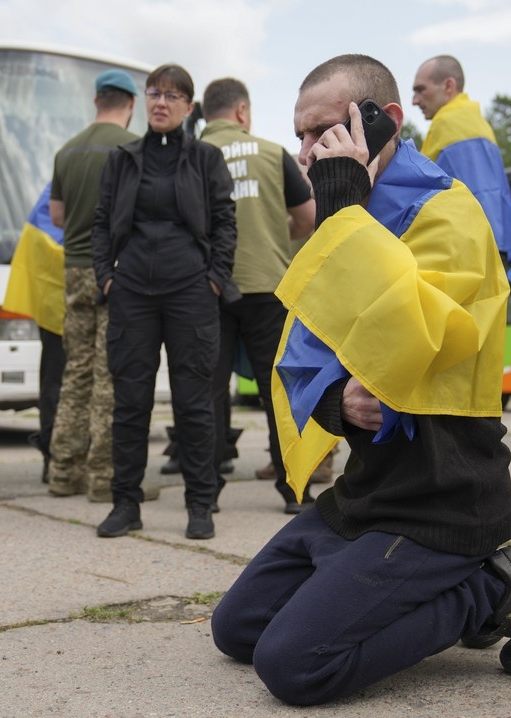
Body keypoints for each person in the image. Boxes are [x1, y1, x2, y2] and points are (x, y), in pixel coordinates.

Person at [210, 54, 511, 706]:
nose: (305, 153)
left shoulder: (448, 212)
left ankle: (498, 589)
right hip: (366, 495)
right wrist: (335, 398)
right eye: (299, 136)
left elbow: (411, 341)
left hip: (442, 500)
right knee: (237, 628)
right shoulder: (346, 217)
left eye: (323, 132)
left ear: (385, 121)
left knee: (294, 665)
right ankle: (406, 588)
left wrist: (342, 203)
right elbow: (304, 350)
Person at [92, 63, 238, 540]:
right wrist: (105, 279)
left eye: (172, 96)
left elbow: (225, 221)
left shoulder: (205, 159)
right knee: (130, 402)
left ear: (189, 108)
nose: (160, 102)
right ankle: (125, 503)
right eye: (154, 93)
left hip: (190, 292)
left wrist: (215, 279)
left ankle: (200, 504)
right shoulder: (122, 158)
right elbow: (99, 223)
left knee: (194, 404)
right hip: (131, 290)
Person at [198, 77, 315, 513]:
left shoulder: (194, 156)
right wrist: (274, 236)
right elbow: (308, 216)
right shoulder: (271, 153)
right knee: (277, 390)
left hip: (208, 287)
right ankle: (292, 489)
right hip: (268, 283)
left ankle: (206, 490)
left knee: (210, 390)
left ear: (205, 113)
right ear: (242, 112)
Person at [47, 69, 138, 502]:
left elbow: (59, 216)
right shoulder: (130, 148)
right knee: (110, 374)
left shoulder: (67, 151)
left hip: (74, 269)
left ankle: (63, 472)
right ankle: (104, 478)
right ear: (131, 104)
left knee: (76, 371)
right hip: (115, 270)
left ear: (96, 100)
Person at [413, 55, 511, 260]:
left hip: (470, 250)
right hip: (492, 242)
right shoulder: (476, 122)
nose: (414, 100)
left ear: (448, 86)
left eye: (421, 90)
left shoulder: (449, 123)